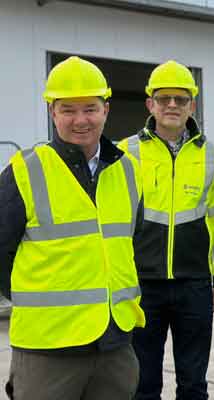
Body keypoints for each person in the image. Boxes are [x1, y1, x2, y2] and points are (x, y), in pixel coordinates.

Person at [0, 56, 144, 399]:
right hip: (47, 352)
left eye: (90, 108)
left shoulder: (129, 171)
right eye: (68, 110)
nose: (81, 120)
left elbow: (128, 243)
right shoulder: (23, 172)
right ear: (53, 112)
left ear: (106, 110)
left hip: (114, 347)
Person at [119, 60, 214, 400]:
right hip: (142, 286)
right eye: (164, 98)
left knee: (193, 383)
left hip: (194, 285)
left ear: (192, 106)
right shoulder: (126, 154)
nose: (172, 105)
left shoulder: (211, 157)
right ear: (150, 104)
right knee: (142, 383)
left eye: (181, 99)